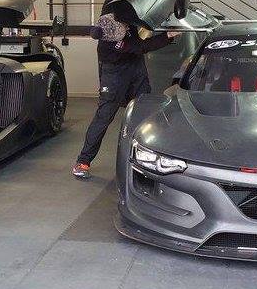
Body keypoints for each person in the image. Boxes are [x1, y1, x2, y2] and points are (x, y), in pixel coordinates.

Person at [72, 12, 180, 179]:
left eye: (124, 25)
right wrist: (167, 36)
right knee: (103, 117)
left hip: (136, 68)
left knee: (145, 113)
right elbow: (141, 47)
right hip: (114, 75)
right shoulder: (112, 42)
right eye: (123, 28)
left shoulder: (120, 14)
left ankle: (148, 160)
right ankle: (83, 161)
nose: (126, 28)